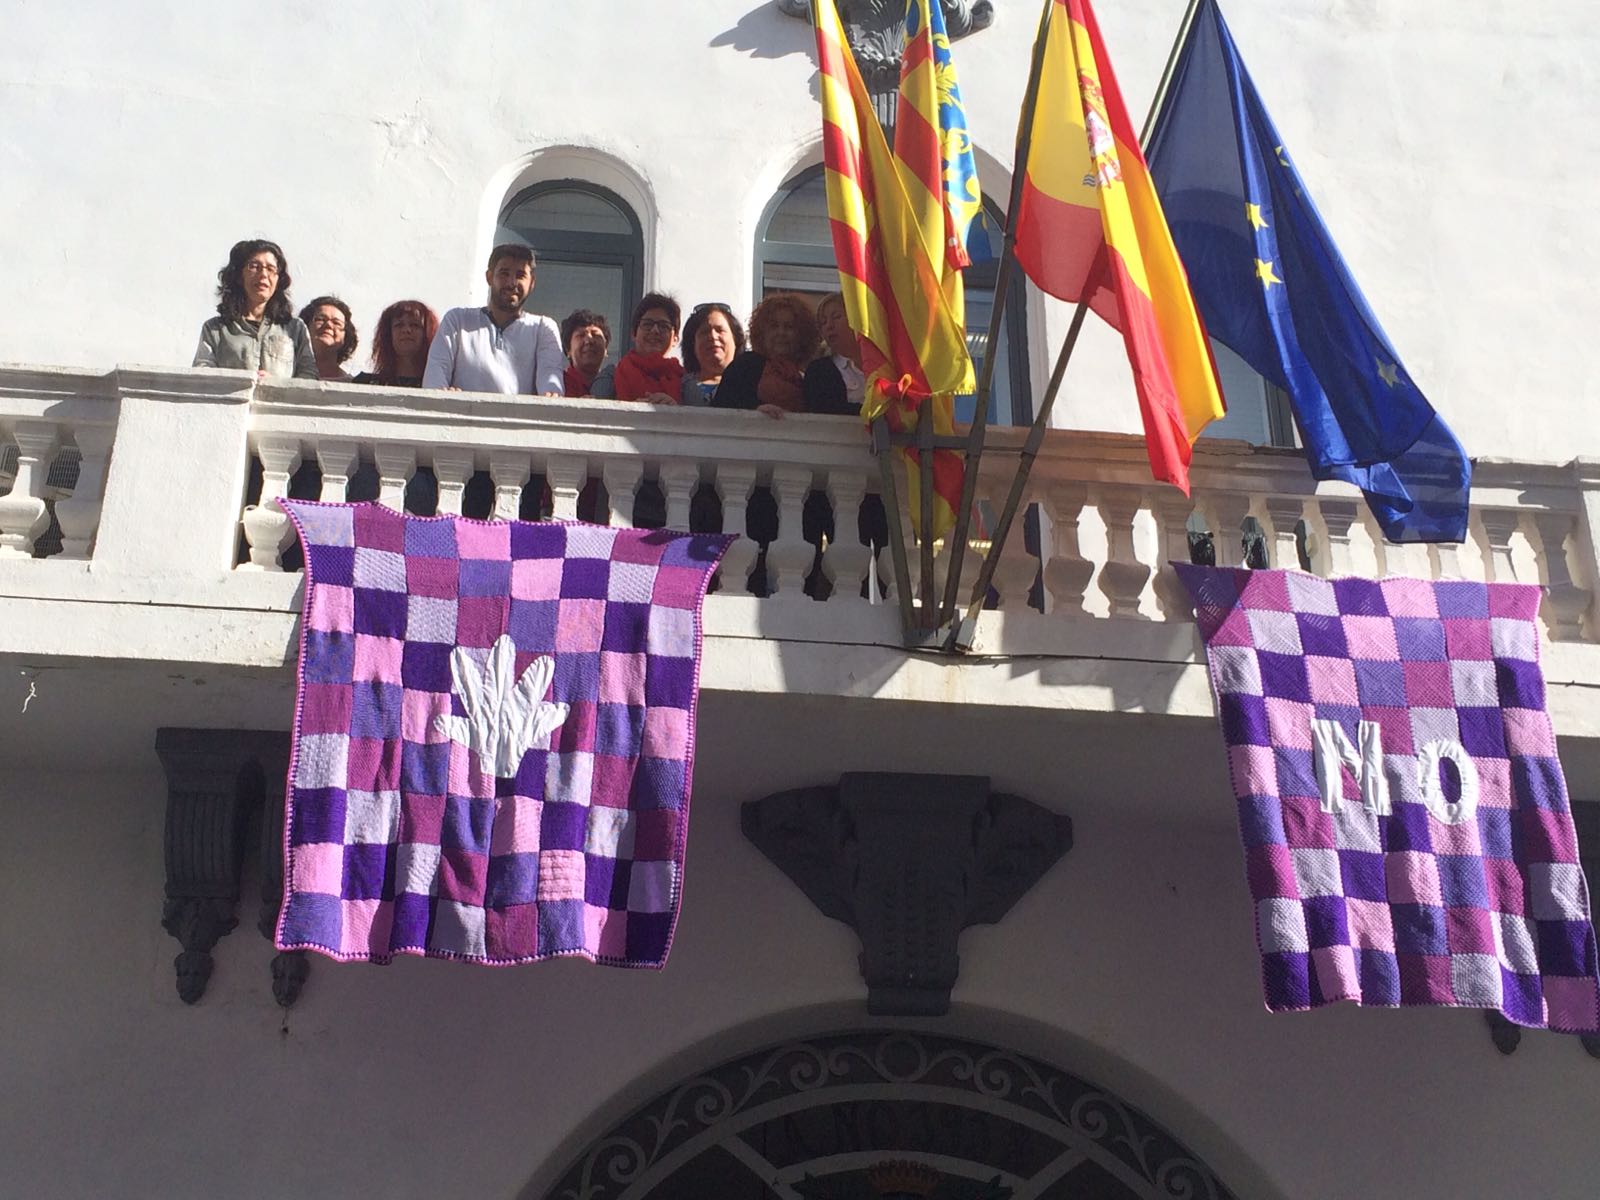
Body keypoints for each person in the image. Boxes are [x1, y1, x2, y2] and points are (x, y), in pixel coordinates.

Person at [422, 243, 563, 395]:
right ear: (489, 277)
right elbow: (434, 384)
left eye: (520, 275)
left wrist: (550, 395)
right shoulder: (457, 321)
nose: (512, 283)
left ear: (532, 283)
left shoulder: (543, 329)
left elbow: (551, 387)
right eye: (504, 273)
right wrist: (445, 398)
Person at [193, 239, 318, 379]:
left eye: (271, 269)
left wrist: (277, 385)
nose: (263, 274)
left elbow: (309, 376)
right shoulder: (215, 329)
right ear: (239, 276)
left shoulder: (295, 328)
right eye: (254, 266)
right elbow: (203, 374)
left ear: (278, 280)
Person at [712, 293, 829, 418]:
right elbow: (722, 408)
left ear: (801, 334)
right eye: (774, 326)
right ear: (762, 332)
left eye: (789, 327)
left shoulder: (814, 374)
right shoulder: (745, 366)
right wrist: (755, 410)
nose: (781, 332)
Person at [591, 294, 685, 404]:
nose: (655, 330)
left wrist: (675, 410)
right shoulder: (611, 375)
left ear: (675, 338)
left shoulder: (685, 381)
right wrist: (633, 409)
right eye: (647, 324)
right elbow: (593, 411)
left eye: (663, 326)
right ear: (634, 333)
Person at [803, 292, 866, 414]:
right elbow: (827, 410)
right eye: (823, 322)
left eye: (836, 317)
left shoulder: (883, 365)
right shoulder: (818, 371)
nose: (829, 326)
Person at [354, 300, 439, 387]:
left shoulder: (438, 386)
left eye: (414, 325)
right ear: (388, 334)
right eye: (399, 325)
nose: (406, 330)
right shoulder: (365, 384)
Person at [679, 302, 745, 406]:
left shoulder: (752, 385)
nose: (713, 336)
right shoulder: (677, 386)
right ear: (693, 344)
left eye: (720, 330)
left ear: (736, 341)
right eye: (705, 332)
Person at [300, 296, 359, 381]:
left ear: (346, 336)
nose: (328, 325)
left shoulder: (352, 385)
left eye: (336, 323)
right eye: (321, 319)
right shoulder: (287, 374)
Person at [560, 309, 611, 397]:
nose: (589, 341)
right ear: (568, 350)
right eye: (581, 335)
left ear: (606, 348)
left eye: (595, 335)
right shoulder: (558, 384)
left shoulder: (616, 383)